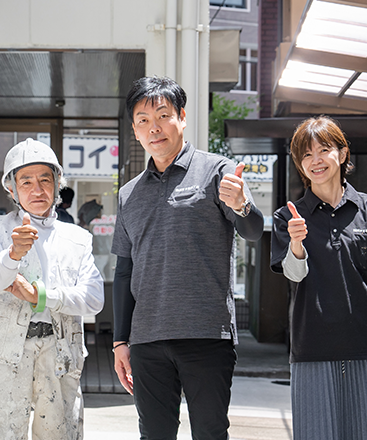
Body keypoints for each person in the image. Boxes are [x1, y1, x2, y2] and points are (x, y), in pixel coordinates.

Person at [111, 76, 264, 440]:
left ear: (181, 117)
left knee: (210, 434)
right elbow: (123, 272)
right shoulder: (129, 194)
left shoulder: (217, 171)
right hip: (147, 340)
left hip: (207, 335)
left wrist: (241, 204)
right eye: (143, 121)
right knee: (154, 435)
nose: (154, 128)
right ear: (135, 131)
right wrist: (120, 341)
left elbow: (254, 231)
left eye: (162, 115)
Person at [270, 116, 367, 439]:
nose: (315, 161)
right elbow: (293, 273)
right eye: (306, 155)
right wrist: (297, 244)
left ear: (342, 154)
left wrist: (365, 313)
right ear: (300, 165)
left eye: (323, 150)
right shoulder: (287, 217)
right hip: (312, 347)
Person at [0, 138, 104, 440]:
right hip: (4, 351)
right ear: (11, 189)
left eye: (45, 180)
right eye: (25, 181)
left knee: (58, 432)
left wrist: (42, 296)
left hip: (58, 350)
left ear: (57, 184)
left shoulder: (77, 238)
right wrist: (12, 253)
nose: (37, 190)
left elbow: (93, 299)